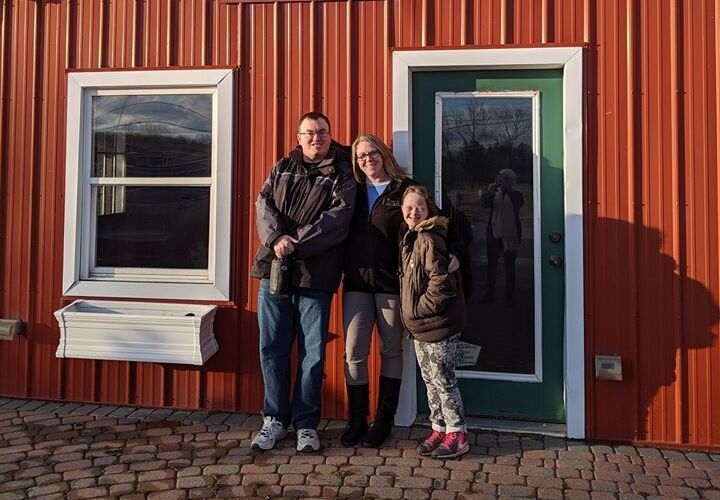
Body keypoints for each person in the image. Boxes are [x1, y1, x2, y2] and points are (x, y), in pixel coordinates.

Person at [250, 111, 357, 452]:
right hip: (274, 271)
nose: (316, 138)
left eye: (322, 132)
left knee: (312, 354)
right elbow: (262, 204)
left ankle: (306, 424)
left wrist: (294, 243)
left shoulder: (343, 172)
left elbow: (337, 219)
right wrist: (276, 238)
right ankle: (274, 419)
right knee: (272, 348)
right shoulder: (283, 166)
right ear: (299, 137)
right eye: (309, 133)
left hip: (316, 275)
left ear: (330, 134)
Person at [340, 134, 419, 447]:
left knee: (391, 349)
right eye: (361, 156)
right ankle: (357, 419)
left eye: (372, 153)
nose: (367, 159)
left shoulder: (405, 189)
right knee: (353, 352)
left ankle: (384, 420)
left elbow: (432, 220)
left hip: (391, 283)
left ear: (384, 154)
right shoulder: (353, 191)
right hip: (357, 282)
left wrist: (448, 252)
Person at [399, 184, 469, 459]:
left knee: (443, 378)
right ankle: (439, 427)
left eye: (420, 207)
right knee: (429, 378)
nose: (414, 212)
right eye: (409, 207)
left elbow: (441, 283)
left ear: (429, 210)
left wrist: (418, 309)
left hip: (438, 322)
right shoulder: (410, 237)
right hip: (420, 327)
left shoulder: (430, 238)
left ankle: (458, 432)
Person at [480, 168, 523, 306]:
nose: (500, 182)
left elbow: (517, 204)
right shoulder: (494, 194)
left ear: (510, 180)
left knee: (509, 265)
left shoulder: (516, 194)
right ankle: (488, 294)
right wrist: (490, 191)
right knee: (491, 264)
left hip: (511, 233)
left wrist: (506, 189)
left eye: (504, 179)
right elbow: (484, 205)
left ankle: (509, 297)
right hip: (494, 231)